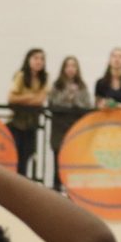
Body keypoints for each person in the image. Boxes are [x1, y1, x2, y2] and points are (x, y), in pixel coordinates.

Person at [49, 55, 92, 191]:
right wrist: (66, 95)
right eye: (68, 66)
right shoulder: (57, 85)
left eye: (73, 66)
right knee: (58, 157)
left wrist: (75, 99)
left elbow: (87, 105)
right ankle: (57, 187)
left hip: (75, 126)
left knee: (73, 158)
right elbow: (52, 103)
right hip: (59, 126)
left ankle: (73, 189)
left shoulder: (82, 86)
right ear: (63, 68)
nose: (71, 69)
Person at [7, 48, 48, 177]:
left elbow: (40, 100)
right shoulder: (20, 75)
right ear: (28, 60)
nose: (39, 61)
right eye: (36, 58)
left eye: (42, 59)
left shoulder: (44, 78)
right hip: (17, 123)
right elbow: (11, 98)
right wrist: (31, 97)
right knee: (15, 156)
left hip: (32, 125)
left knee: (27, 155)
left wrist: (24, 98)